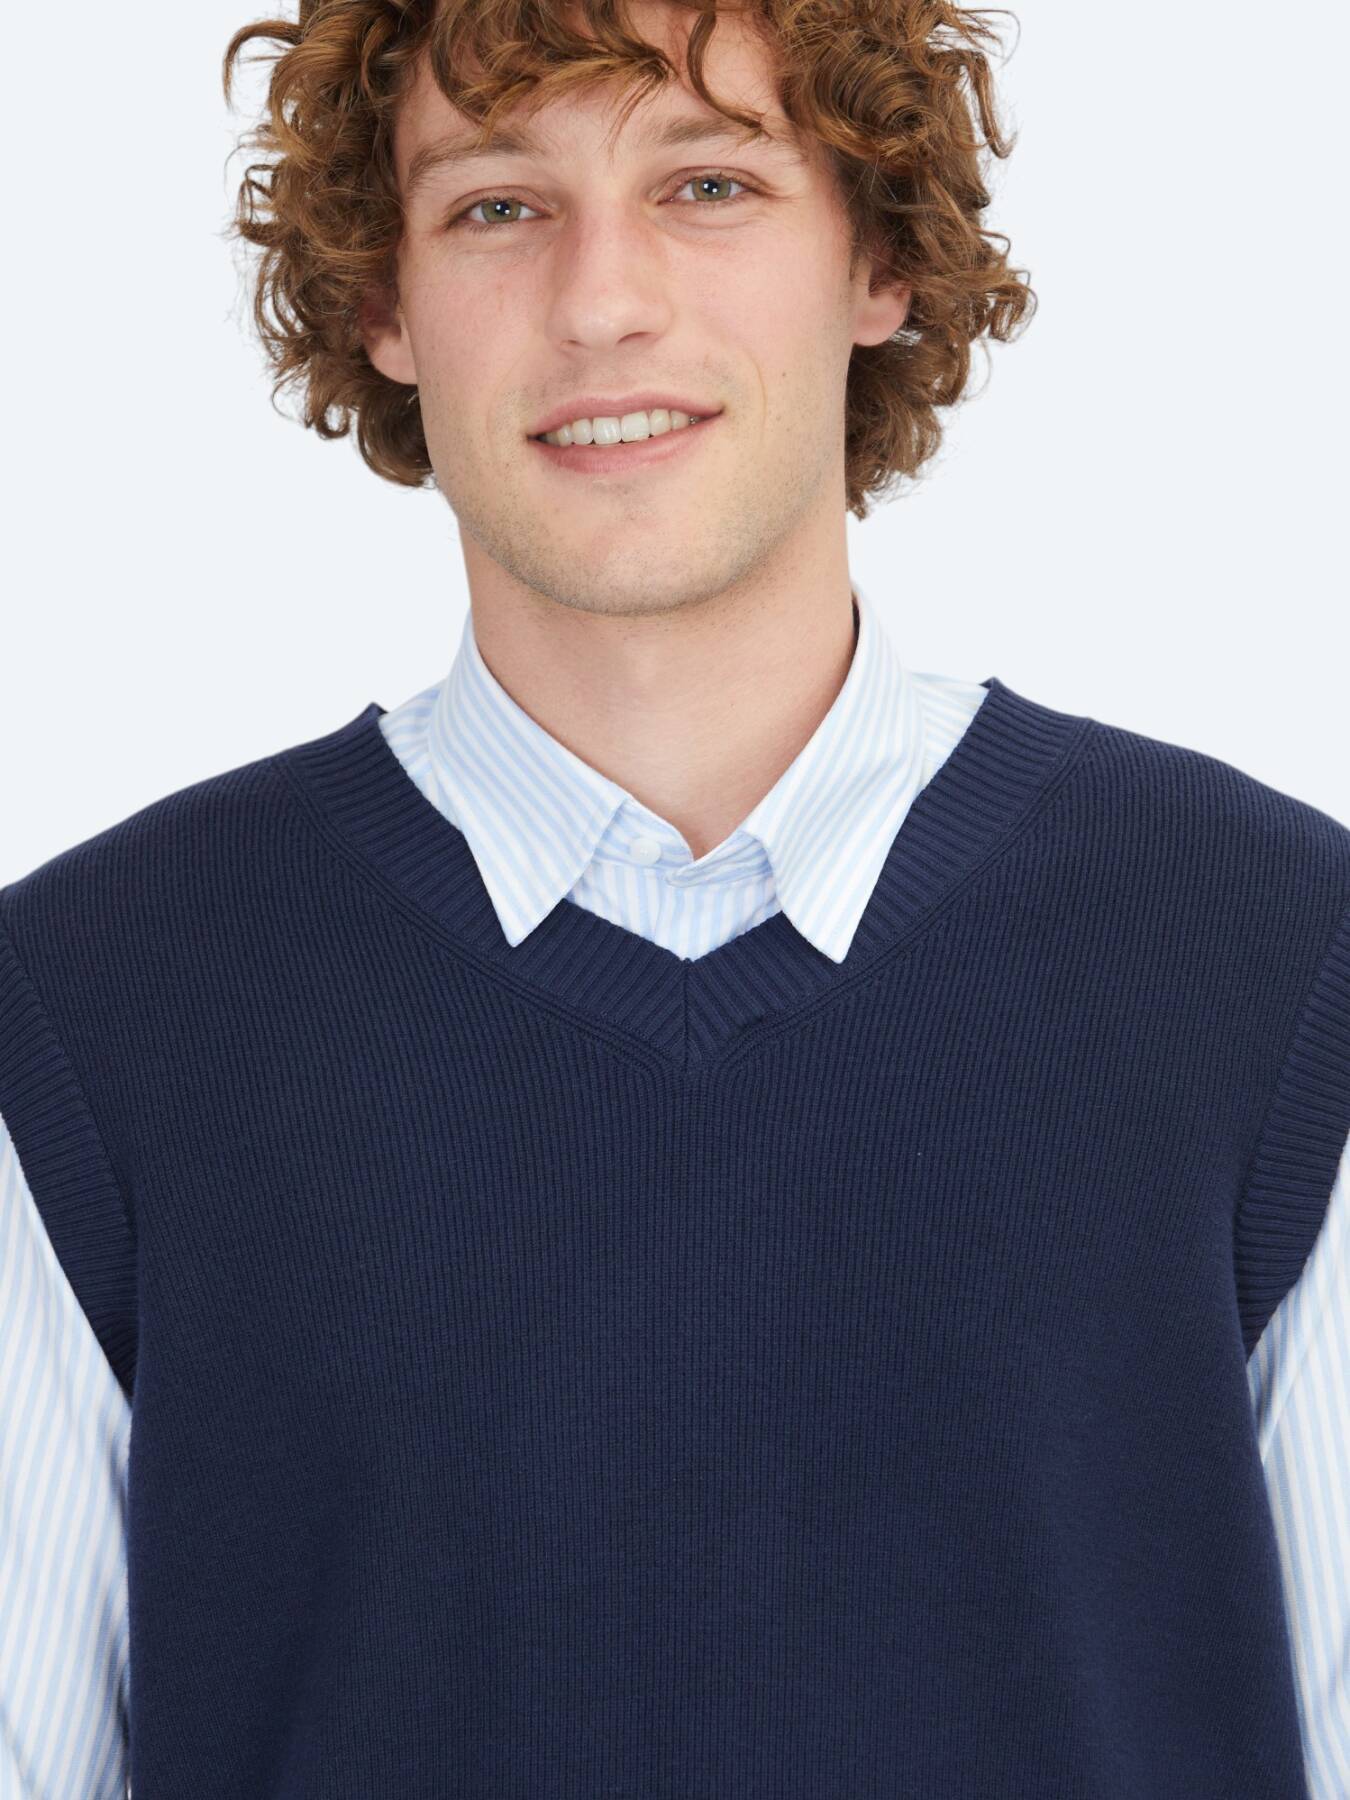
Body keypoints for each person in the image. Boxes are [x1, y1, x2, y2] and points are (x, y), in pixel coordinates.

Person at [2, 0, 1346, 1794]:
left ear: (876, 258)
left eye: (706, 183)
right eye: (496, 205)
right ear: (385, 301)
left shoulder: (1272, 962)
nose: (600, 301)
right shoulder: (92, 1007)